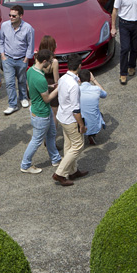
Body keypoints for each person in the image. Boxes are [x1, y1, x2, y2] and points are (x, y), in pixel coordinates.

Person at [19, 48, 63, 174]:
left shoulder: (31, 70)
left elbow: (34, 87)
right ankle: (25, 164)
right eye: (49, 61)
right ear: (44, 61)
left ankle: (55, 158)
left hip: (39, 109)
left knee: (51, 134)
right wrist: (57, 88)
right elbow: (47, 98)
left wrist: (49, 87)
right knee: (37, 140)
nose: (50, 64)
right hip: (41, 114)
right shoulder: (41, 78)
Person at [53, 57, 86, 186]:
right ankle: (60, 173)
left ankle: (72, 171)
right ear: (79, 66)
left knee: (68, 145)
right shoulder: (74, 85)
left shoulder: (63, 79)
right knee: (78, 145)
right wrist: (81, 125)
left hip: (62, 116)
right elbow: (76, 109)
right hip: (70, 119)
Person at [0, 4, 35, 114]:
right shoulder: (4, 26)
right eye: (10, 15)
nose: (11, 17)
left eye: (14, 16)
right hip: (8, 59)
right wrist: (3, 55)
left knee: (22, 80)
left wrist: (26, 59)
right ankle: (12, 104)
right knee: (9, 83)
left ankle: (23, 97)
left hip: (21, 59)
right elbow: (0, 40)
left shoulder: (28, 28)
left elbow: (30, 45)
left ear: (21, 16)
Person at [78, 70, 107, 145]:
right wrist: (94, 80)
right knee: (100, 114)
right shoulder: (96, 89)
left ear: (79, 79)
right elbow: (105, 94)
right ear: (90, 78)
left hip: (80, 119)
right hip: (93, 120)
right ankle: (92, 135)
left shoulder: (77, 90)